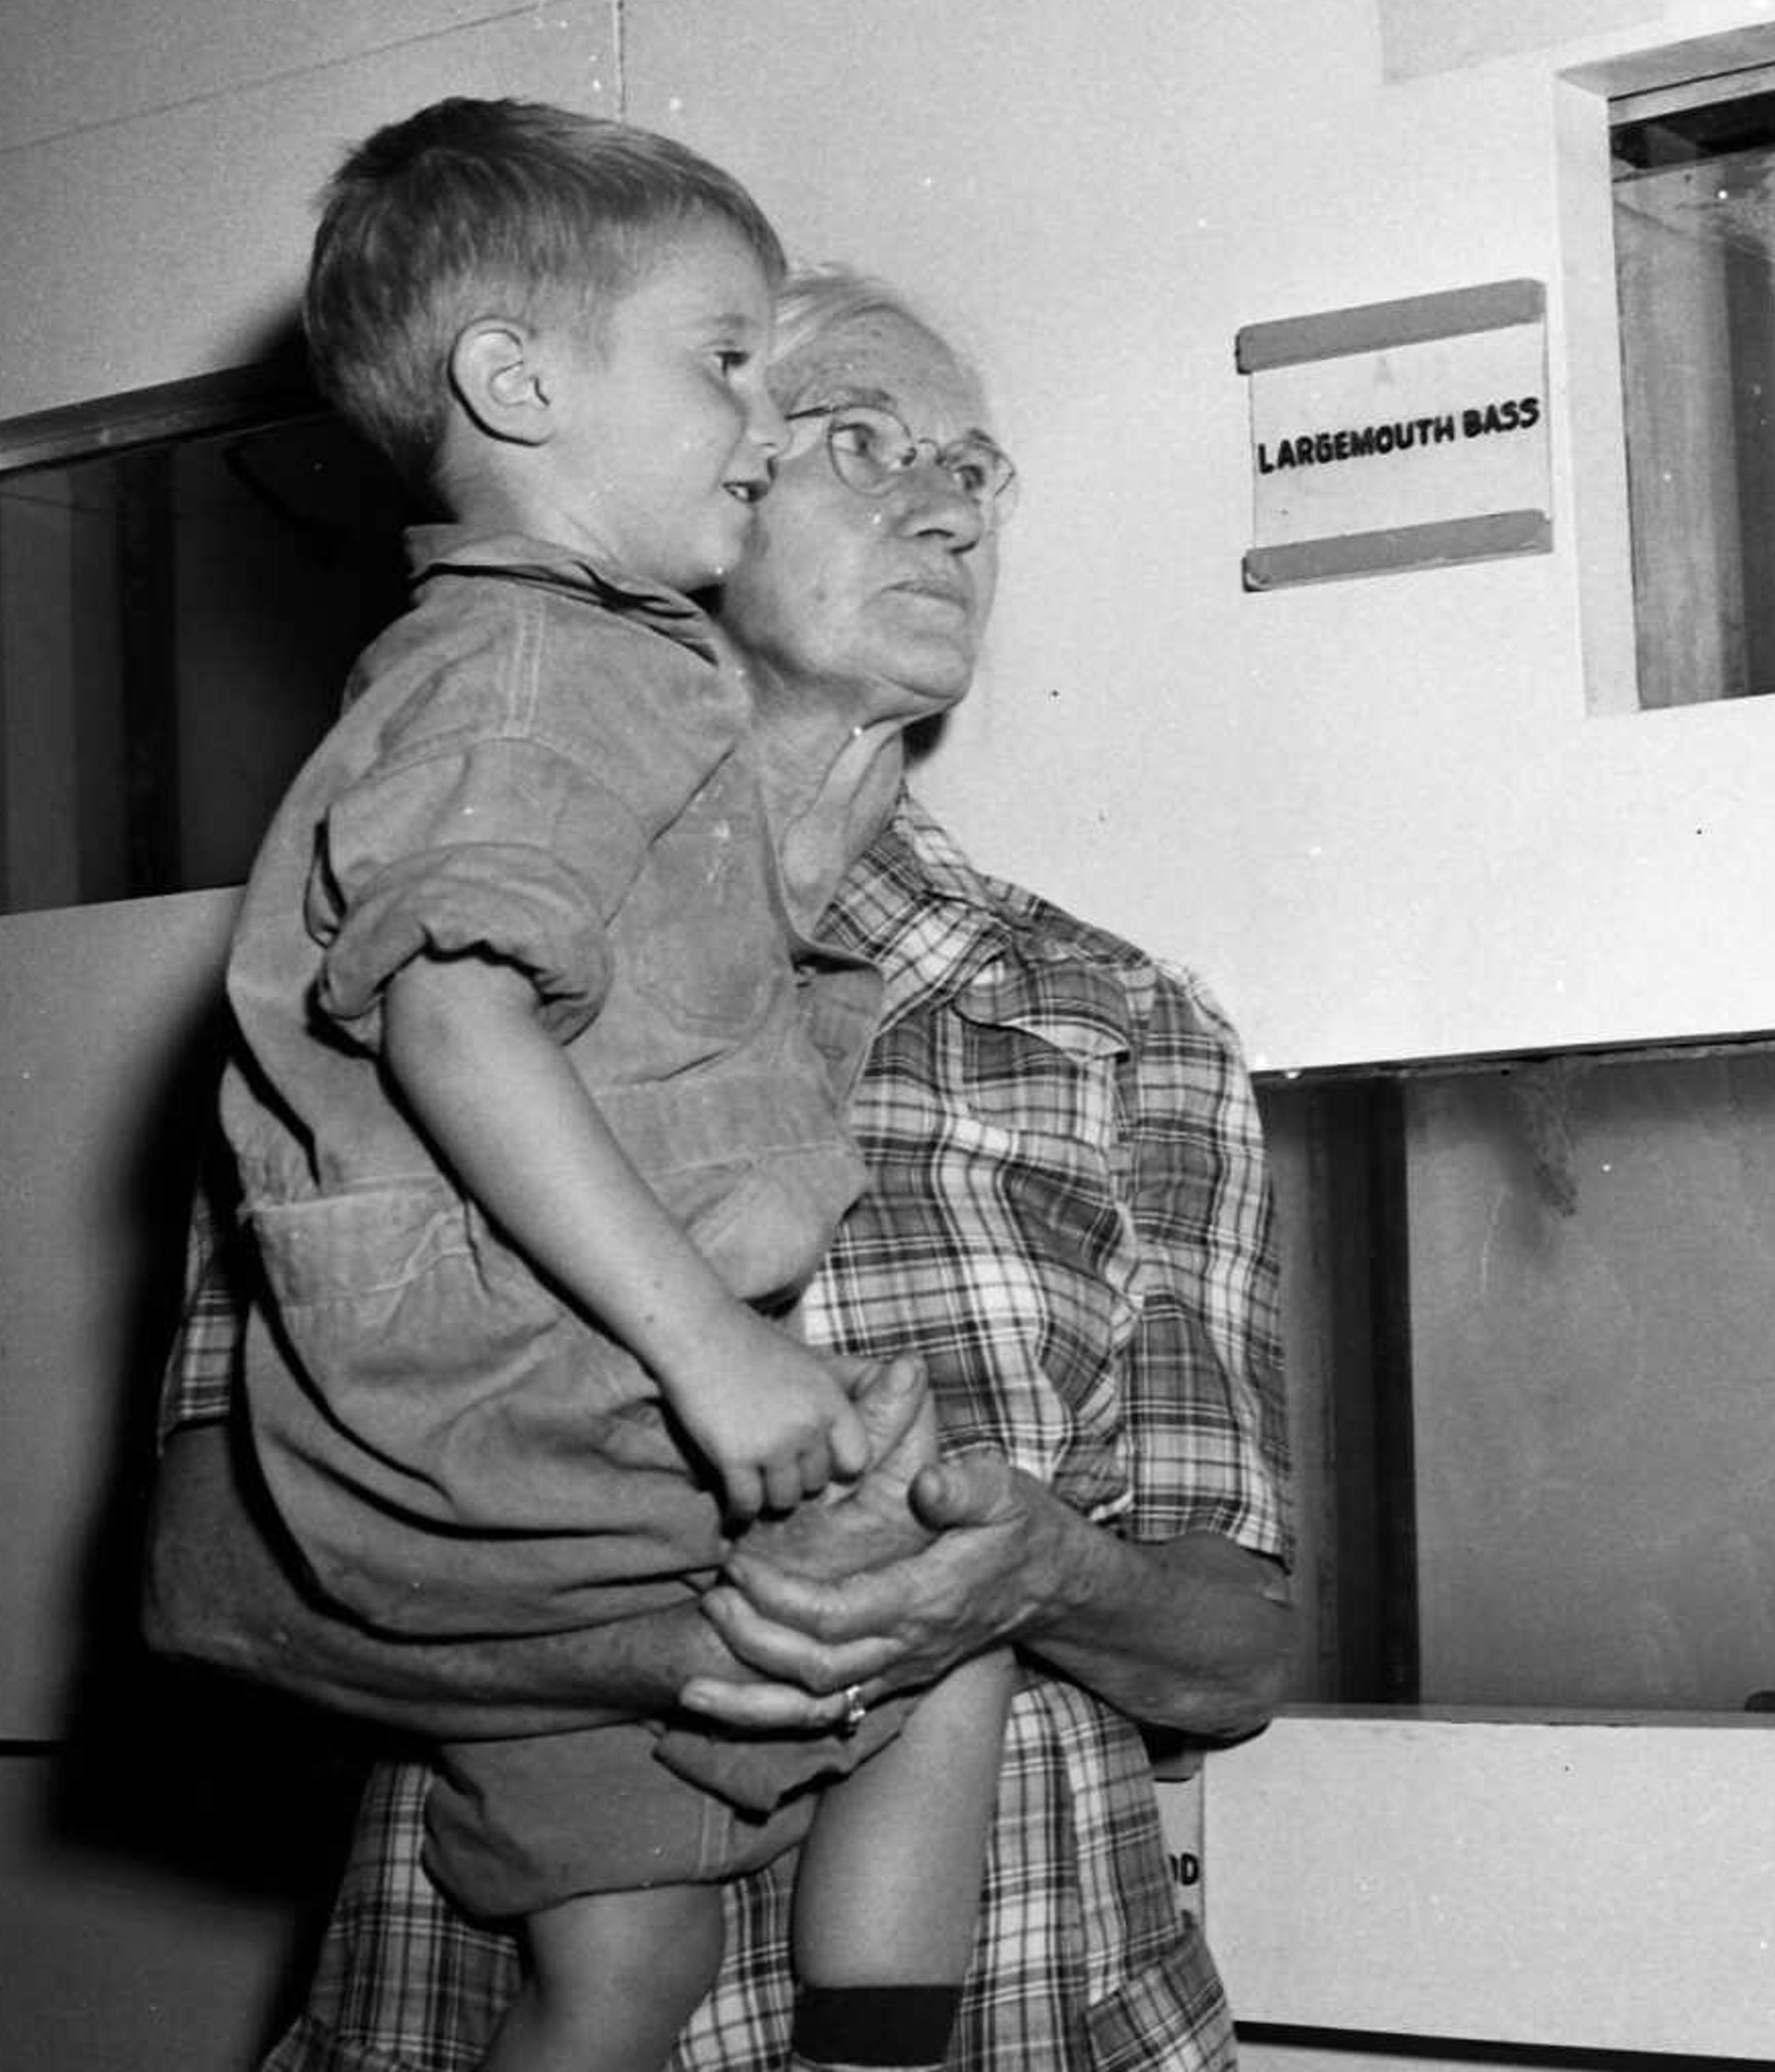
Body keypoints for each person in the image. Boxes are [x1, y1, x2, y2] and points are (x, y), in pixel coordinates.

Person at [145, 263, 1298, 2071]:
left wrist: (1031, 1578)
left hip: (1023, 2028)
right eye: (861, 442)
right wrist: (691, 1647)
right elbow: (208, 1585)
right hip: (481, 2010)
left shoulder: (1114, 1021)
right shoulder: (406, 935)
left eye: (975, 470)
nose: (948, 508)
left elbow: (1236, 1645)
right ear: (700, 499)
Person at [217, 103, 1014, 2072]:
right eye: (732, 368)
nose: (753, 420)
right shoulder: (539, 674)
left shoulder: (563, 686)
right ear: (518, 383)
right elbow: (453, 1020)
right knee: (931, 1641)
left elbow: (645, 1049)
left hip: (517, 1428)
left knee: (634, 1956)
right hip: (526, 1441)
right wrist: (725, 1363)